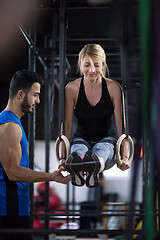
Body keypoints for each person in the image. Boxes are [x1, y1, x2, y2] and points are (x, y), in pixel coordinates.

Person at [0, 70, 71, 240]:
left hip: (16, 209)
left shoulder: (12, 122)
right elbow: (13, 172)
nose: (38, 101)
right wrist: (51, 177)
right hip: (10, 212)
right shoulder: (9, 126)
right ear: (20, 94)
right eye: (35, 95)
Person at [60, 43, 131, 188]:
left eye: (97, 65)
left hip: (107, 140)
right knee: (77, 151)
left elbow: (120, 123)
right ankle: (79, 168)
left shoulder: (113, 88)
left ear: (103, 65)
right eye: (87, 65)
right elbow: (66, 125)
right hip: (81, 138)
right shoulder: (72, 88)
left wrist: (124, 156)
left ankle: (94, 167)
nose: (92, 70)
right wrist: (62, 157)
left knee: (101, 150)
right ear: (80, 65)